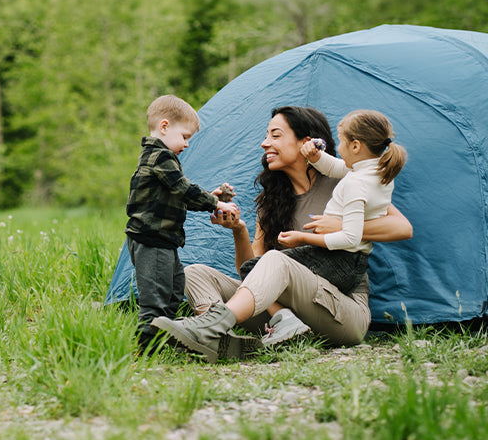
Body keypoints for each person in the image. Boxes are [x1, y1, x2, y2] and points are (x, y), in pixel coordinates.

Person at [152, 106, 413, 362]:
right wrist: (239, 231)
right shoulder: (272, 202)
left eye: (275, 135)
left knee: (277, 260)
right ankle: (219, 337)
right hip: (287, 315)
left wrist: (341, 227)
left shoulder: (345, 180)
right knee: (196, 273)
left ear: (306, 143)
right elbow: (252, 271)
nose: (265, 143)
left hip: (342, 311)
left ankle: (208, 329)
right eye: (266, 136)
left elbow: (402, 228)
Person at [125, 95, 238, 351]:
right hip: (150, 239)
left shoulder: (164, 158)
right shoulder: (159, 157)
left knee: (175, 289)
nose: (187, 144)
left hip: (164, 240)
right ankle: (145, 350)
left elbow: (179, 195)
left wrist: (211, 196)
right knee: (155, 299)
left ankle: (166, 339)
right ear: (164, 127)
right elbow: (182, 187)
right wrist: (215, 203)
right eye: (185, 137)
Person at [273, 109, 407, 298]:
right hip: (353, 261)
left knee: (262, 267)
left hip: (337, 258)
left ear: (355, 146)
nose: (339, 149)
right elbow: (336, 167)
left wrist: (302, 238)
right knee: (274, 269)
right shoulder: (376, 172)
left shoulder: (356, 182)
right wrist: (315, 158)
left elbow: (350, 238)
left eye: (342, 142)